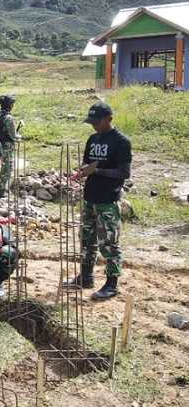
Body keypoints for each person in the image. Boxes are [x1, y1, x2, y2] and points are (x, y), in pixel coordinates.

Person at [66, 100, 132, 300]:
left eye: (97, 121)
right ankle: (85, 277)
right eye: (91, 122)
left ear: (109, 119)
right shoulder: (93, 139)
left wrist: (98, 170)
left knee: (109, 244)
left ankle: (112, 284)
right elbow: (87, 162)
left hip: (108, 200)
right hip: (90, 198)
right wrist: (82, 171)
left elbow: (124, 172)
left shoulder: (121, 142)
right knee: (86, 239)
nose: (94, 125)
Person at [0, 95, 21, 199]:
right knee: (7, 168)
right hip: (6, 147)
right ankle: (2, 191)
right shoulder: (8, 118)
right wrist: (19, 136)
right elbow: (13, 135)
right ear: (10, 105)